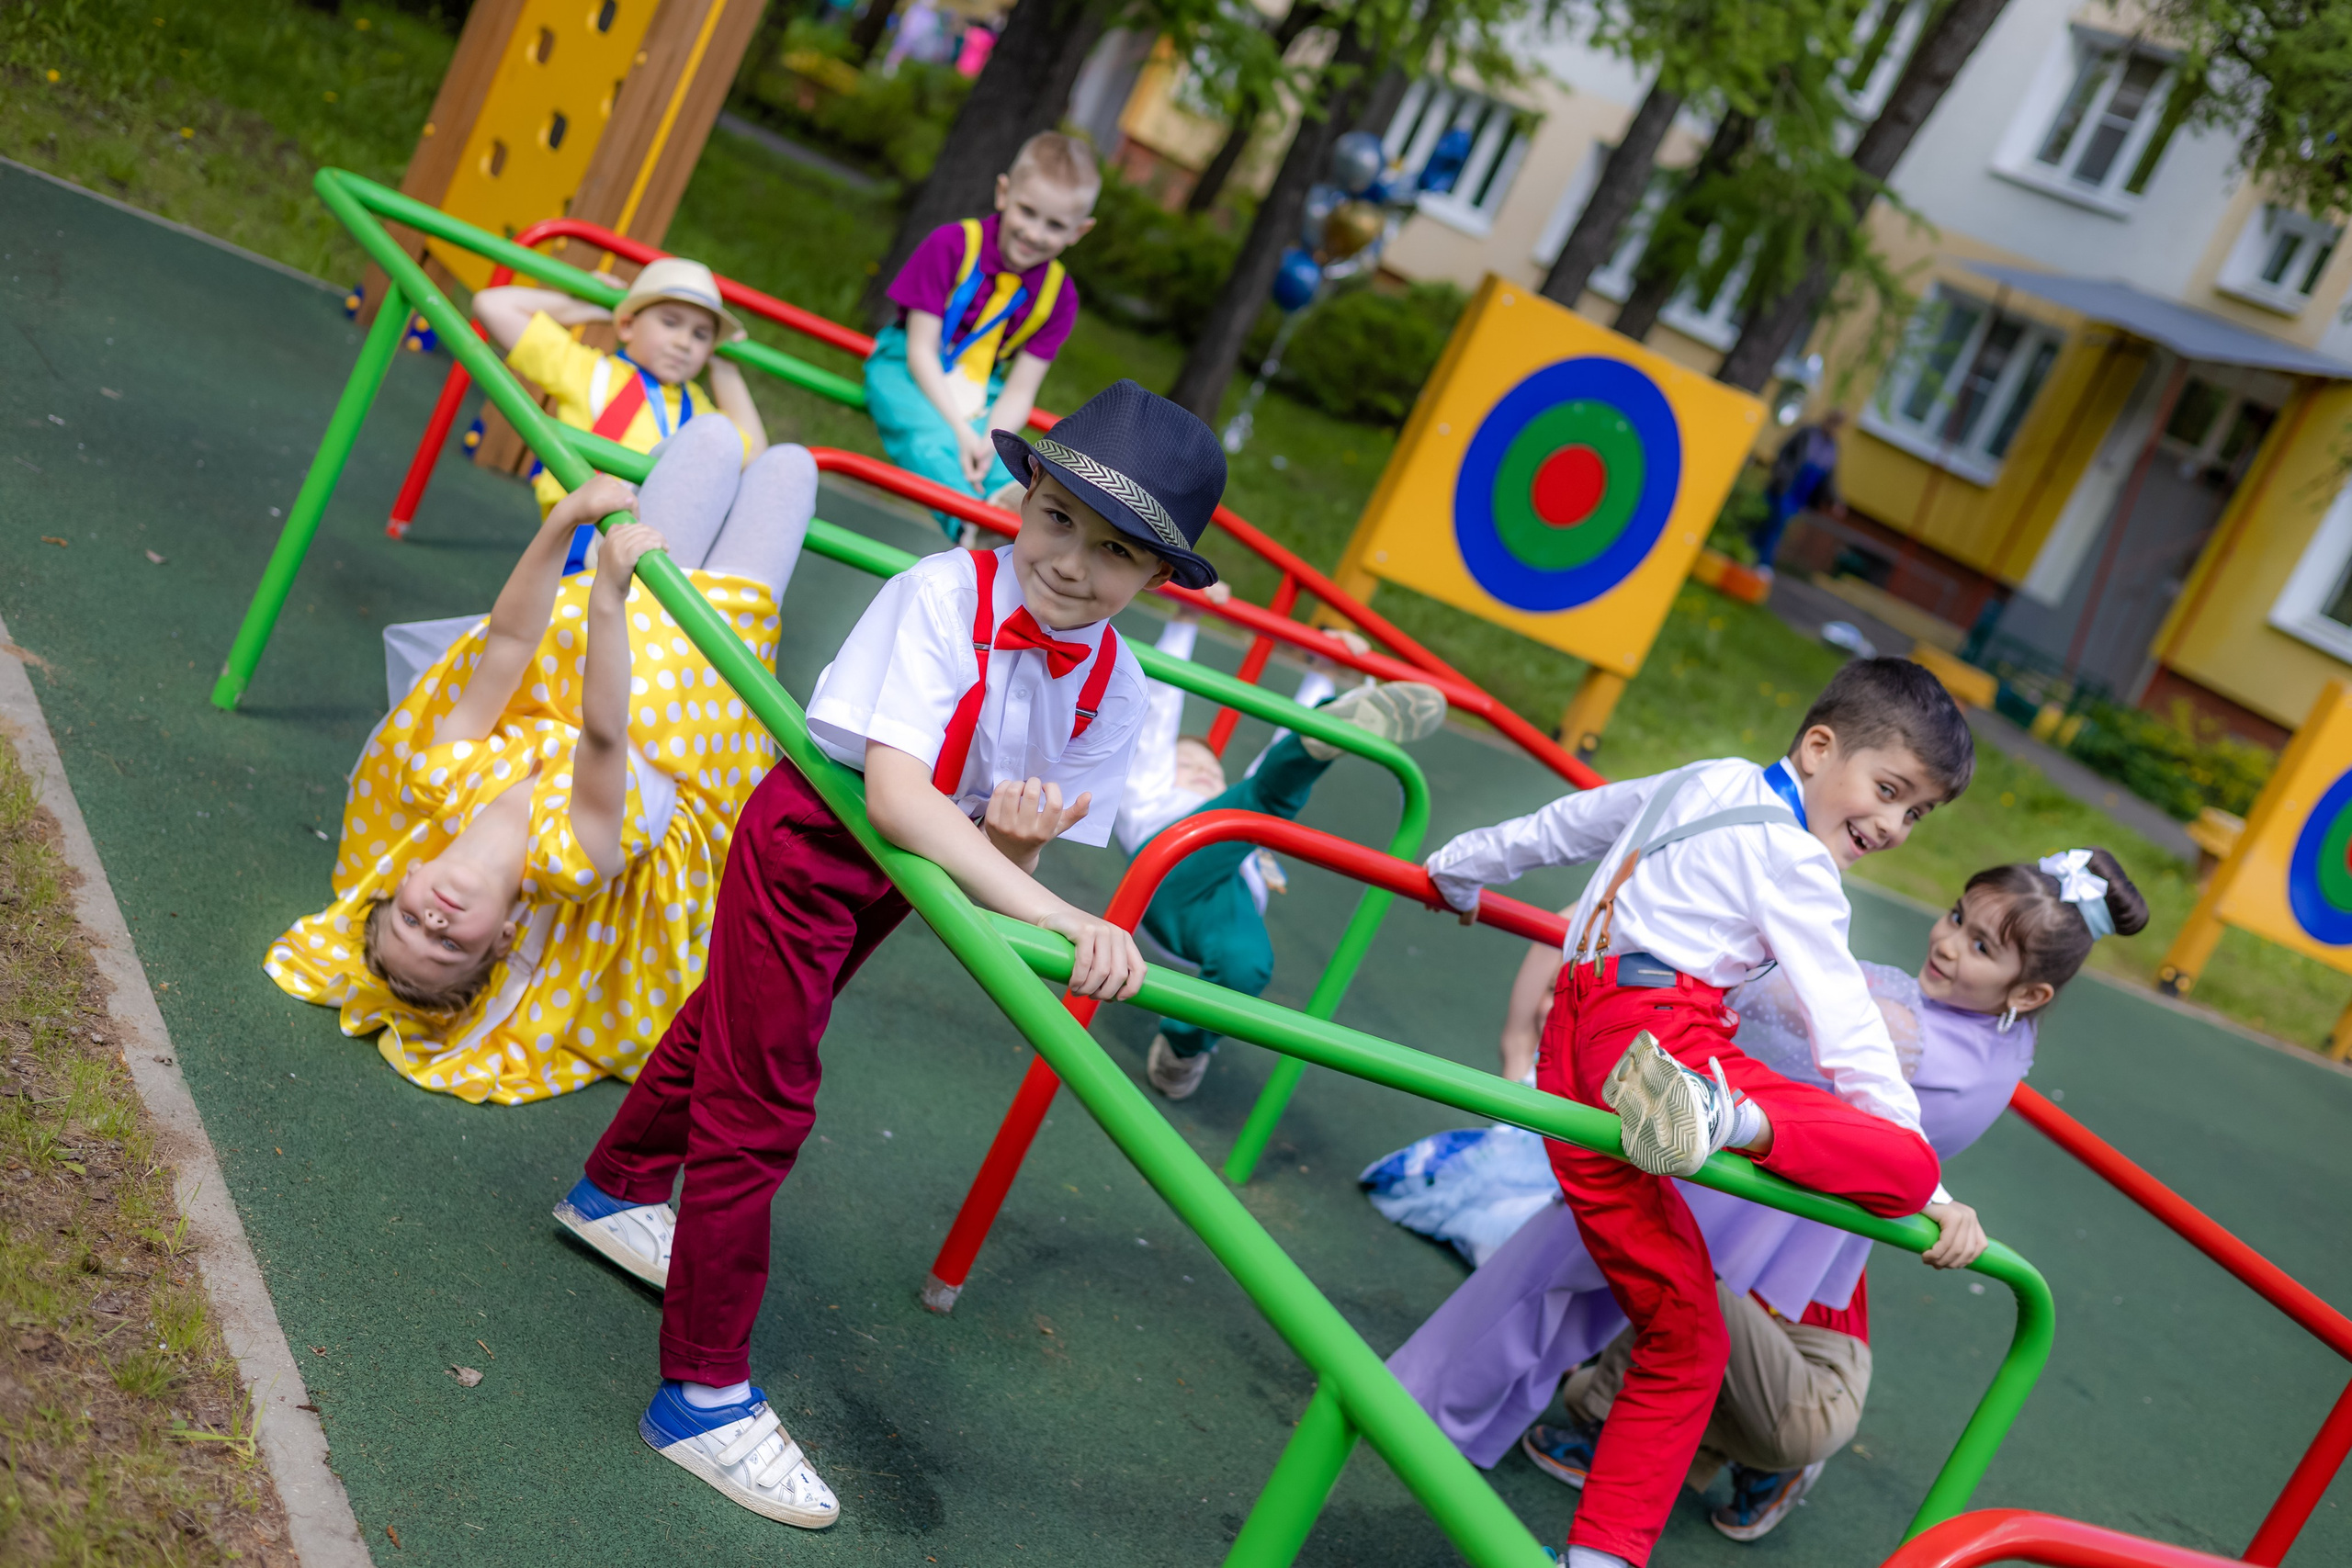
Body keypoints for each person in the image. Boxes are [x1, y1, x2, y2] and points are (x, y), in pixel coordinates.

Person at [550, 379, 1225, 1531]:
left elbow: (1005, 836)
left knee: (731, 1027)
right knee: (764, 1100)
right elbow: (905, 800)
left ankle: (613, 1189)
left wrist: (1018, 847)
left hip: (905, 875)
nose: (1070, 563)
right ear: (1025, 495)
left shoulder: (1119, 688)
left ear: (1158, 585)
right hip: (817, 840)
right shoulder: (937, 594)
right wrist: (1059, 914)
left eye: (1114, 554)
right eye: (1058, 519)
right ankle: (702, 1392)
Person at [1387, 847, 2146, 1544]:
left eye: (1982, 946)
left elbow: (1814, 1015)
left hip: (1745, 1175)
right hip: (1768, 1197)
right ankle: (1467, 1423)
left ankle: (1423, 1412)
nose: (1948, 943)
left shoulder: (1911, 1032)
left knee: (1563, 1272)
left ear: (2031, 989)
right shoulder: (2005, 1039)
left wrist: (1708, 924)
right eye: (1956, 917)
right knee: (1588, 1291)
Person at [1419, 657, 1975, 1568]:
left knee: (1685, 1333)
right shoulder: (1796, 861)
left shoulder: (1701, 779)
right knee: (1904, 1171)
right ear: (1818, 747)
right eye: (1886, 791)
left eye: (1915, 813)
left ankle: (1601, 1554)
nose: (1891, 826)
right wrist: (1932, 1181)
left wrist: (1459, 866)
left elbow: (1571, 822)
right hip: (1660, 1038)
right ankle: (1732, 1121)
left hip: (1578, 1044)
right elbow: (1848, 1031)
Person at [266, 416, 815, 1104]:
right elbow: (604, 733)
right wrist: (610, 594)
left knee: (709, 437)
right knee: (792, 466)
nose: (433, 923)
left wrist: (565, 521)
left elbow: (510, 641)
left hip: (616, 620)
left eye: (409, 921)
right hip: (697, 686)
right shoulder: (569, 863)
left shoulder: (444, 780)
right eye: (448, 948)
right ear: (500, 940)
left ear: (407, 875)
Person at [1114, 614, 1446, 1100]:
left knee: (1248, 965)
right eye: (1187, 764)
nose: (1202, 770)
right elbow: (1158, 711)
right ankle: (1327, 728)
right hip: (1169, 871)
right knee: (1267, 795)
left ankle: (1184, 1047)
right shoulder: (1149, 791)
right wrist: (1184, 623)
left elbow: (1272, 757)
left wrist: (1323, 668)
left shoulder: (1239, 800)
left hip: (1229, 897)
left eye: (1210, 766)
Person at [867, 131, 1095, 535]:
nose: (1035, 234)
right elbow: (920, 350)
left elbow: (1020, 392)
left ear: (1079, 232)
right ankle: (972, 527)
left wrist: (991, 441)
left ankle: (1013, 514)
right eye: (1027, 211)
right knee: (931, 439)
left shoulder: (1061, 295)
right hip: (907, 364)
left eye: (1056, 225)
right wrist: (960, 430)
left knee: (1010, 462)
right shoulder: (951, 244)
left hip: (980, 384)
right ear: (1003, 194)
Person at [474, 255, 768, 555]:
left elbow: (755, 454)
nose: (684, 342)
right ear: (627, 325)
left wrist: (725, 369)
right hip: (590, 537)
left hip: (664, 541)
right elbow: (492, 305)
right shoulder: (590, 373)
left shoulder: (697, 406)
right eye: (670, 322)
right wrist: (592, 306)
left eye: (701, 335)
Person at [1749, 410, 1845, 575]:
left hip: (1801, 495)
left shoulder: (1833, 447)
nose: (1834, 428)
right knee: (1775, 523)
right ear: (1827, 420)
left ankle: (1750, 555)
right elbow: (1784, 452)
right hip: (1786, 486)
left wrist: (1835, 499)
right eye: (1833, 423)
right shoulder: (1807, 433)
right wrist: (1780, 473)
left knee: (1772, 524)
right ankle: (1763, 564)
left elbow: (1829, 477)